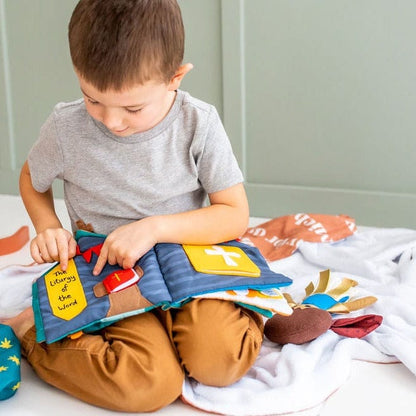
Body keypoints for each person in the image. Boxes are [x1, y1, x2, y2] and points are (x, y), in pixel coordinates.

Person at [6, 0, 264, 412]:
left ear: (175, 78)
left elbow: (234, 214)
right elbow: (31, 179)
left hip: (188, 257)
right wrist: (47, 226)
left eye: (132, 108)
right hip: (107, 269)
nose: (111, 121)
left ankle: (235, 311)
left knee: (219, 361)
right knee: (149, 385)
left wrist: (155, 229)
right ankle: (32, 333)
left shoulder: (199, 123)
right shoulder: (66, 128)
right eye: (92, 99)